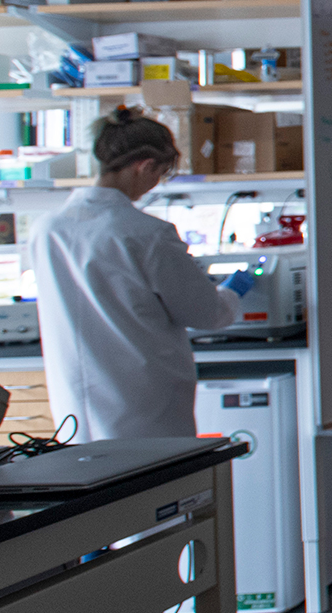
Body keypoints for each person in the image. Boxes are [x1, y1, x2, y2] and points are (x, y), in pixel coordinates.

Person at [29, 106, 253, 441]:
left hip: (74, 411)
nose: (154, 185)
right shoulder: (146, 233)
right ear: (145, 166)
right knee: (156, 490)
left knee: (99, 487)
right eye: (159, 175)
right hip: (144, 410)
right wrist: (233, 291)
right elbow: (206, 312)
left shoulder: (47, 228)